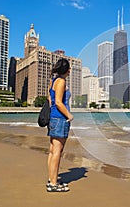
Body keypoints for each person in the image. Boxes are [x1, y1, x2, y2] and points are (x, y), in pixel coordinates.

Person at [46, 58, 74, 192]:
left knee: (52, 151)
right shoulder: (61, 82)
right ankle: (53, 184)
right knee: (57, 151)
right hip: (60, 119)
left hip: (53, 118)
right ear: (67, 70)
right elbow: (58, 102)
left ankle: (52, 179)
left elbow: (50, 99)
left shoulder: (53, 81)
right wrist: (69, 115)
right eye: (69, 68)